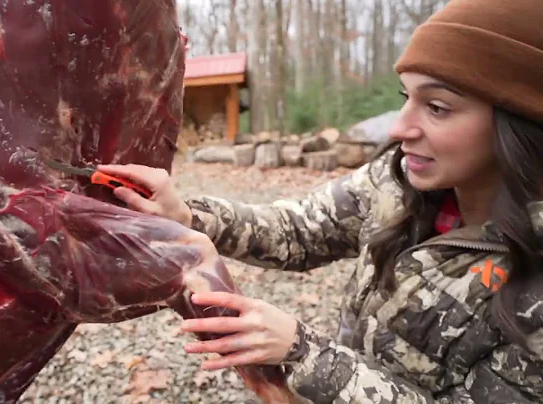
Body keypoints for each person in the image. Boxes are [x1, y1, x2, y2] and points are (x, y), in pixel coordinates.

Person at [100, 0, 543, 402]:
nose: (398, 128)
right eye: (406, 98)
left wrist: (305, 352)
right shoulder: (398, 181)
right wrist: (189, 215)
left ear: (519, 123)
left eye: (438, 107)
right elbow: (297, 229)